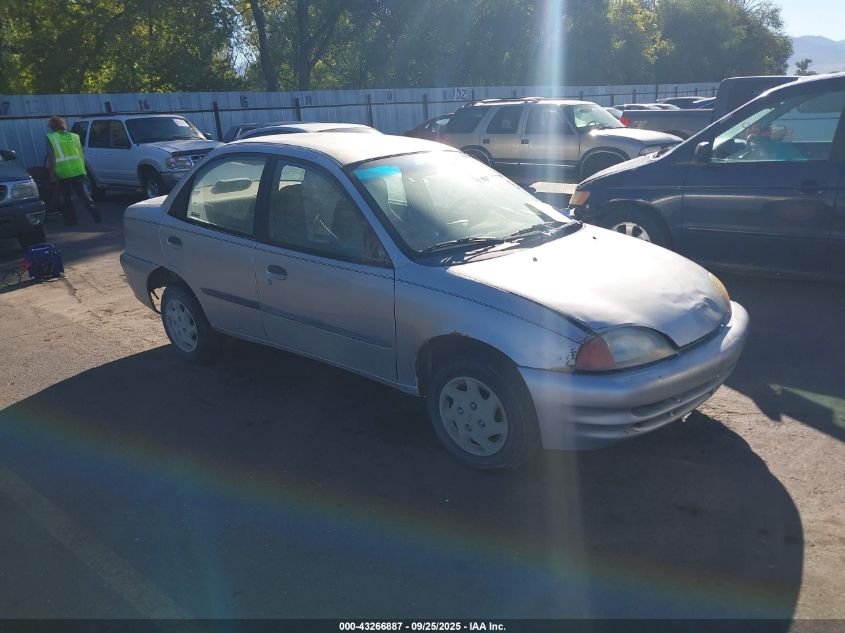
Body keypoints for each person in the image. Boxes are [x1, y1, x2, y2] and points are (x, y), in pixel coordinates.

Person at [46, 115, 101, 224]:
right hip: (78, 170)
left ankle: (72, 219)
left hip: (63, 173)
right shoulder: (74, 136)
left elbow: (51, 157)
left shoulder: (51, 138)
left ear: (52, 126)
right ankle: (95, 214)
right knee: (84, 195)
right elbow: (81, 153)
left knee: (67, 198)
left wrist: (51, 174)